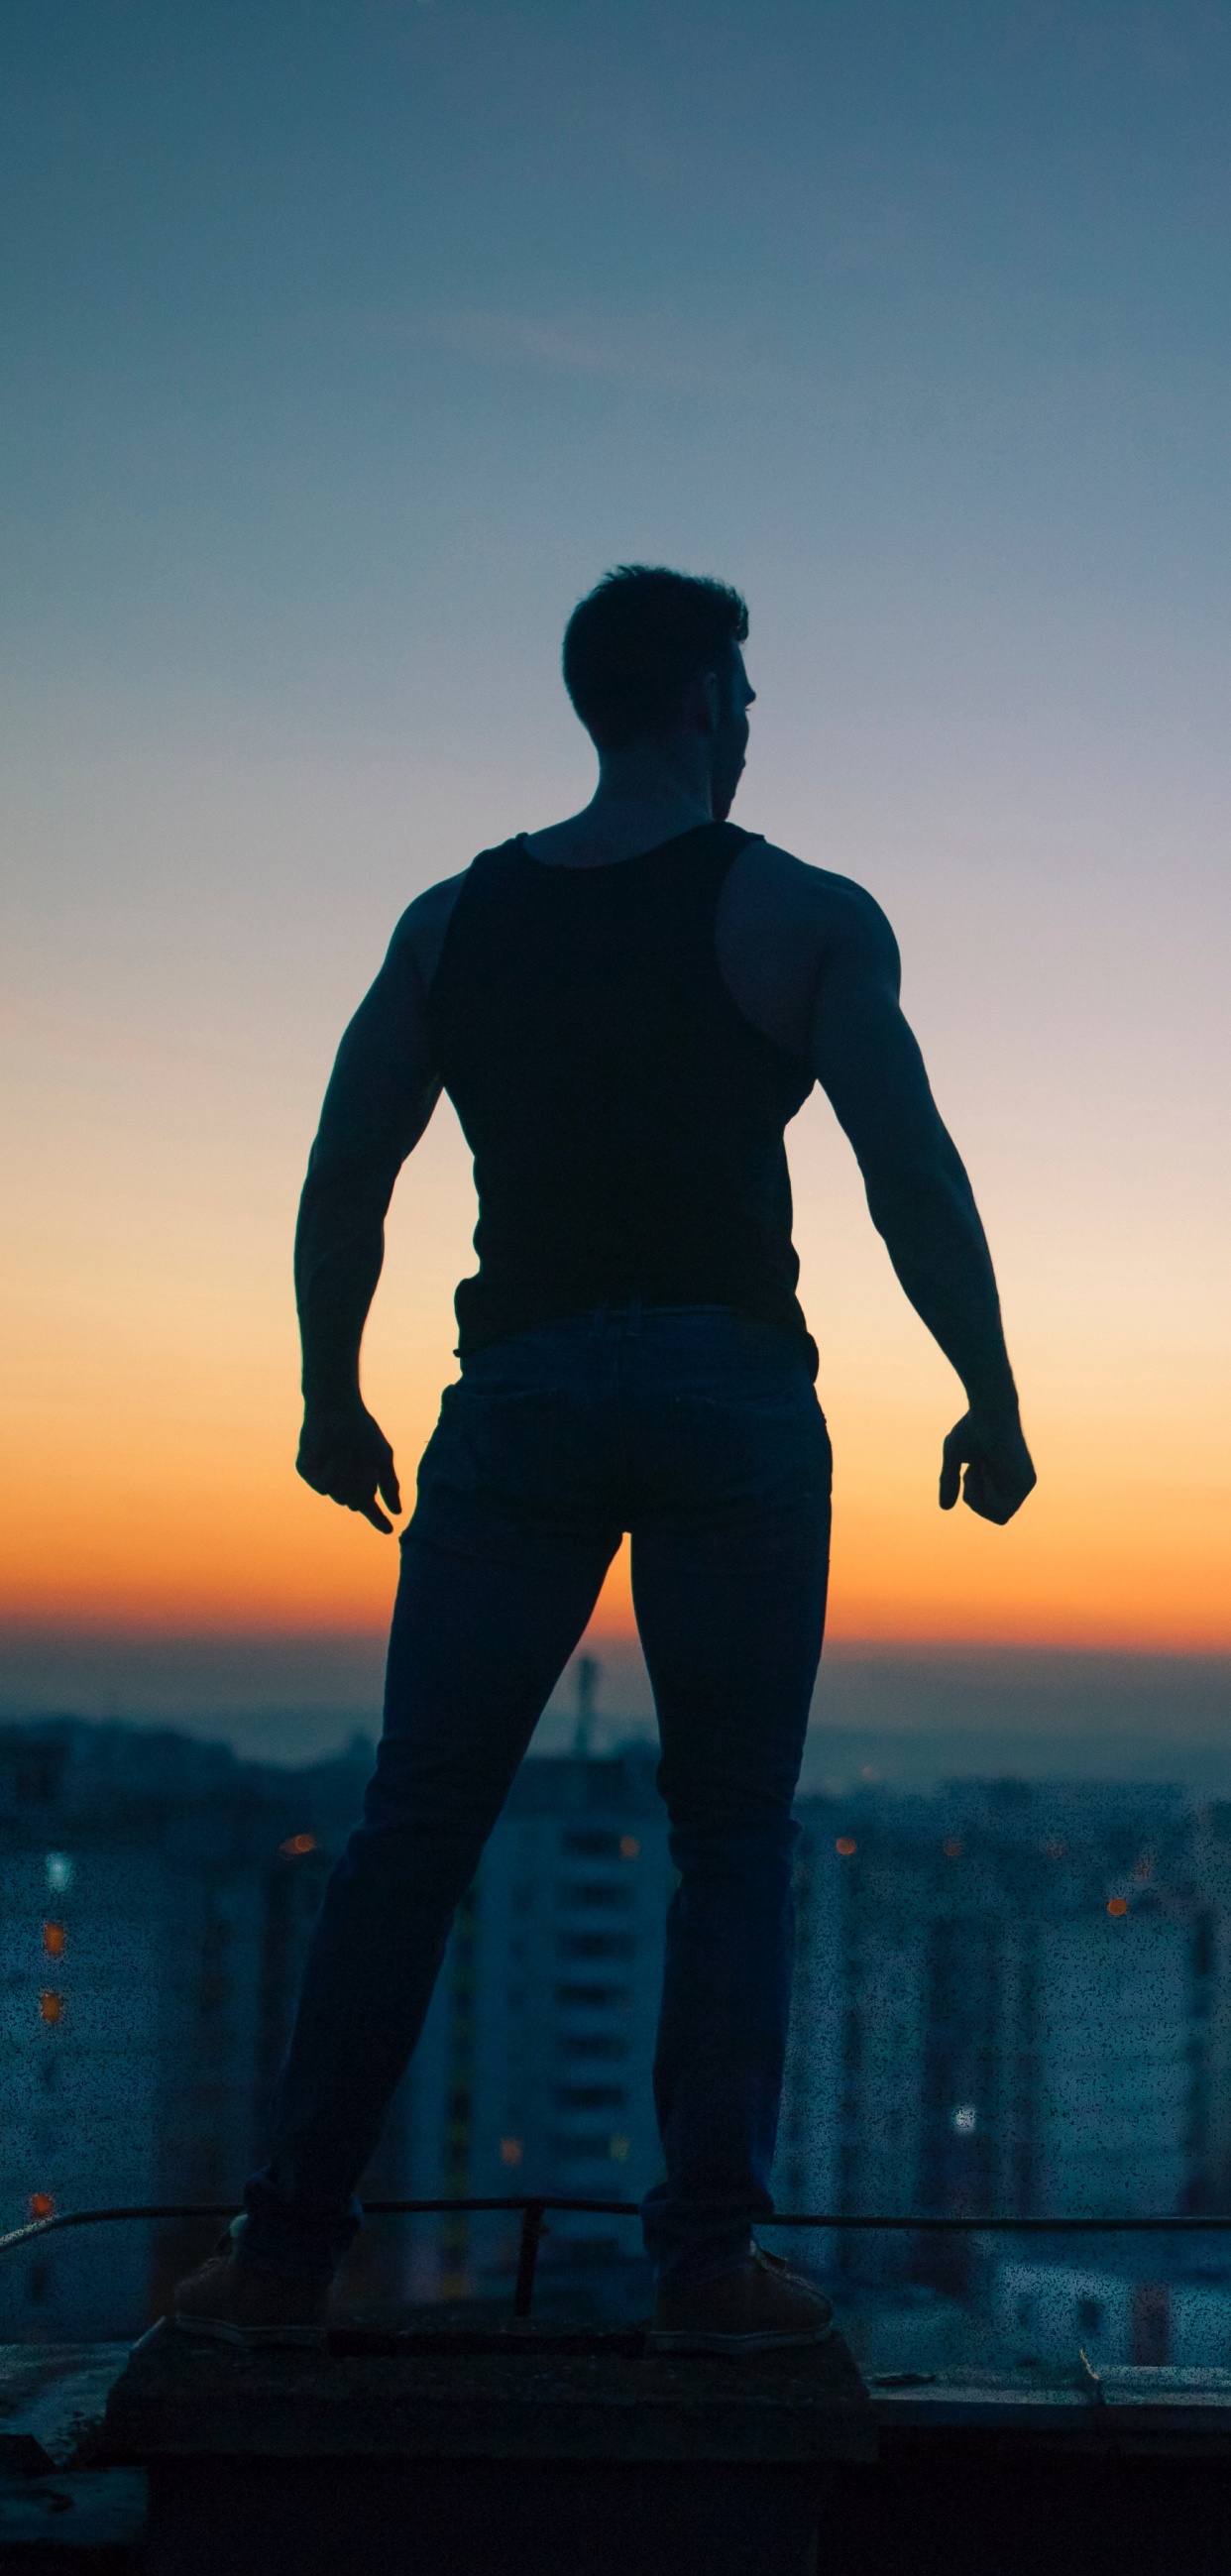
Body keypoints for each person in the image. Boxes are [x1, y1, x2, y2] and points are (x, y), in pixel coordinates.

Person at [175, 565, 1035, 2351]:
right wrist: (989, 1390)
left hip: (523, 1394)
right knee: (731, 1836)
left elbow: (350, 1172)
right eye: (745, 691)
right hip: (728, 1397)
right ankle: (709, 2269)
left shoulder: (448, 924)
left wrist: (331, 1391)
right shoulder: (797, 913)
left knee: (415, 1829)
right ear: (709, 698)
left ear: (591, 705)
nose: (747, 720)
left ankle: (278, 2259)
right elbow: (910, 1173)